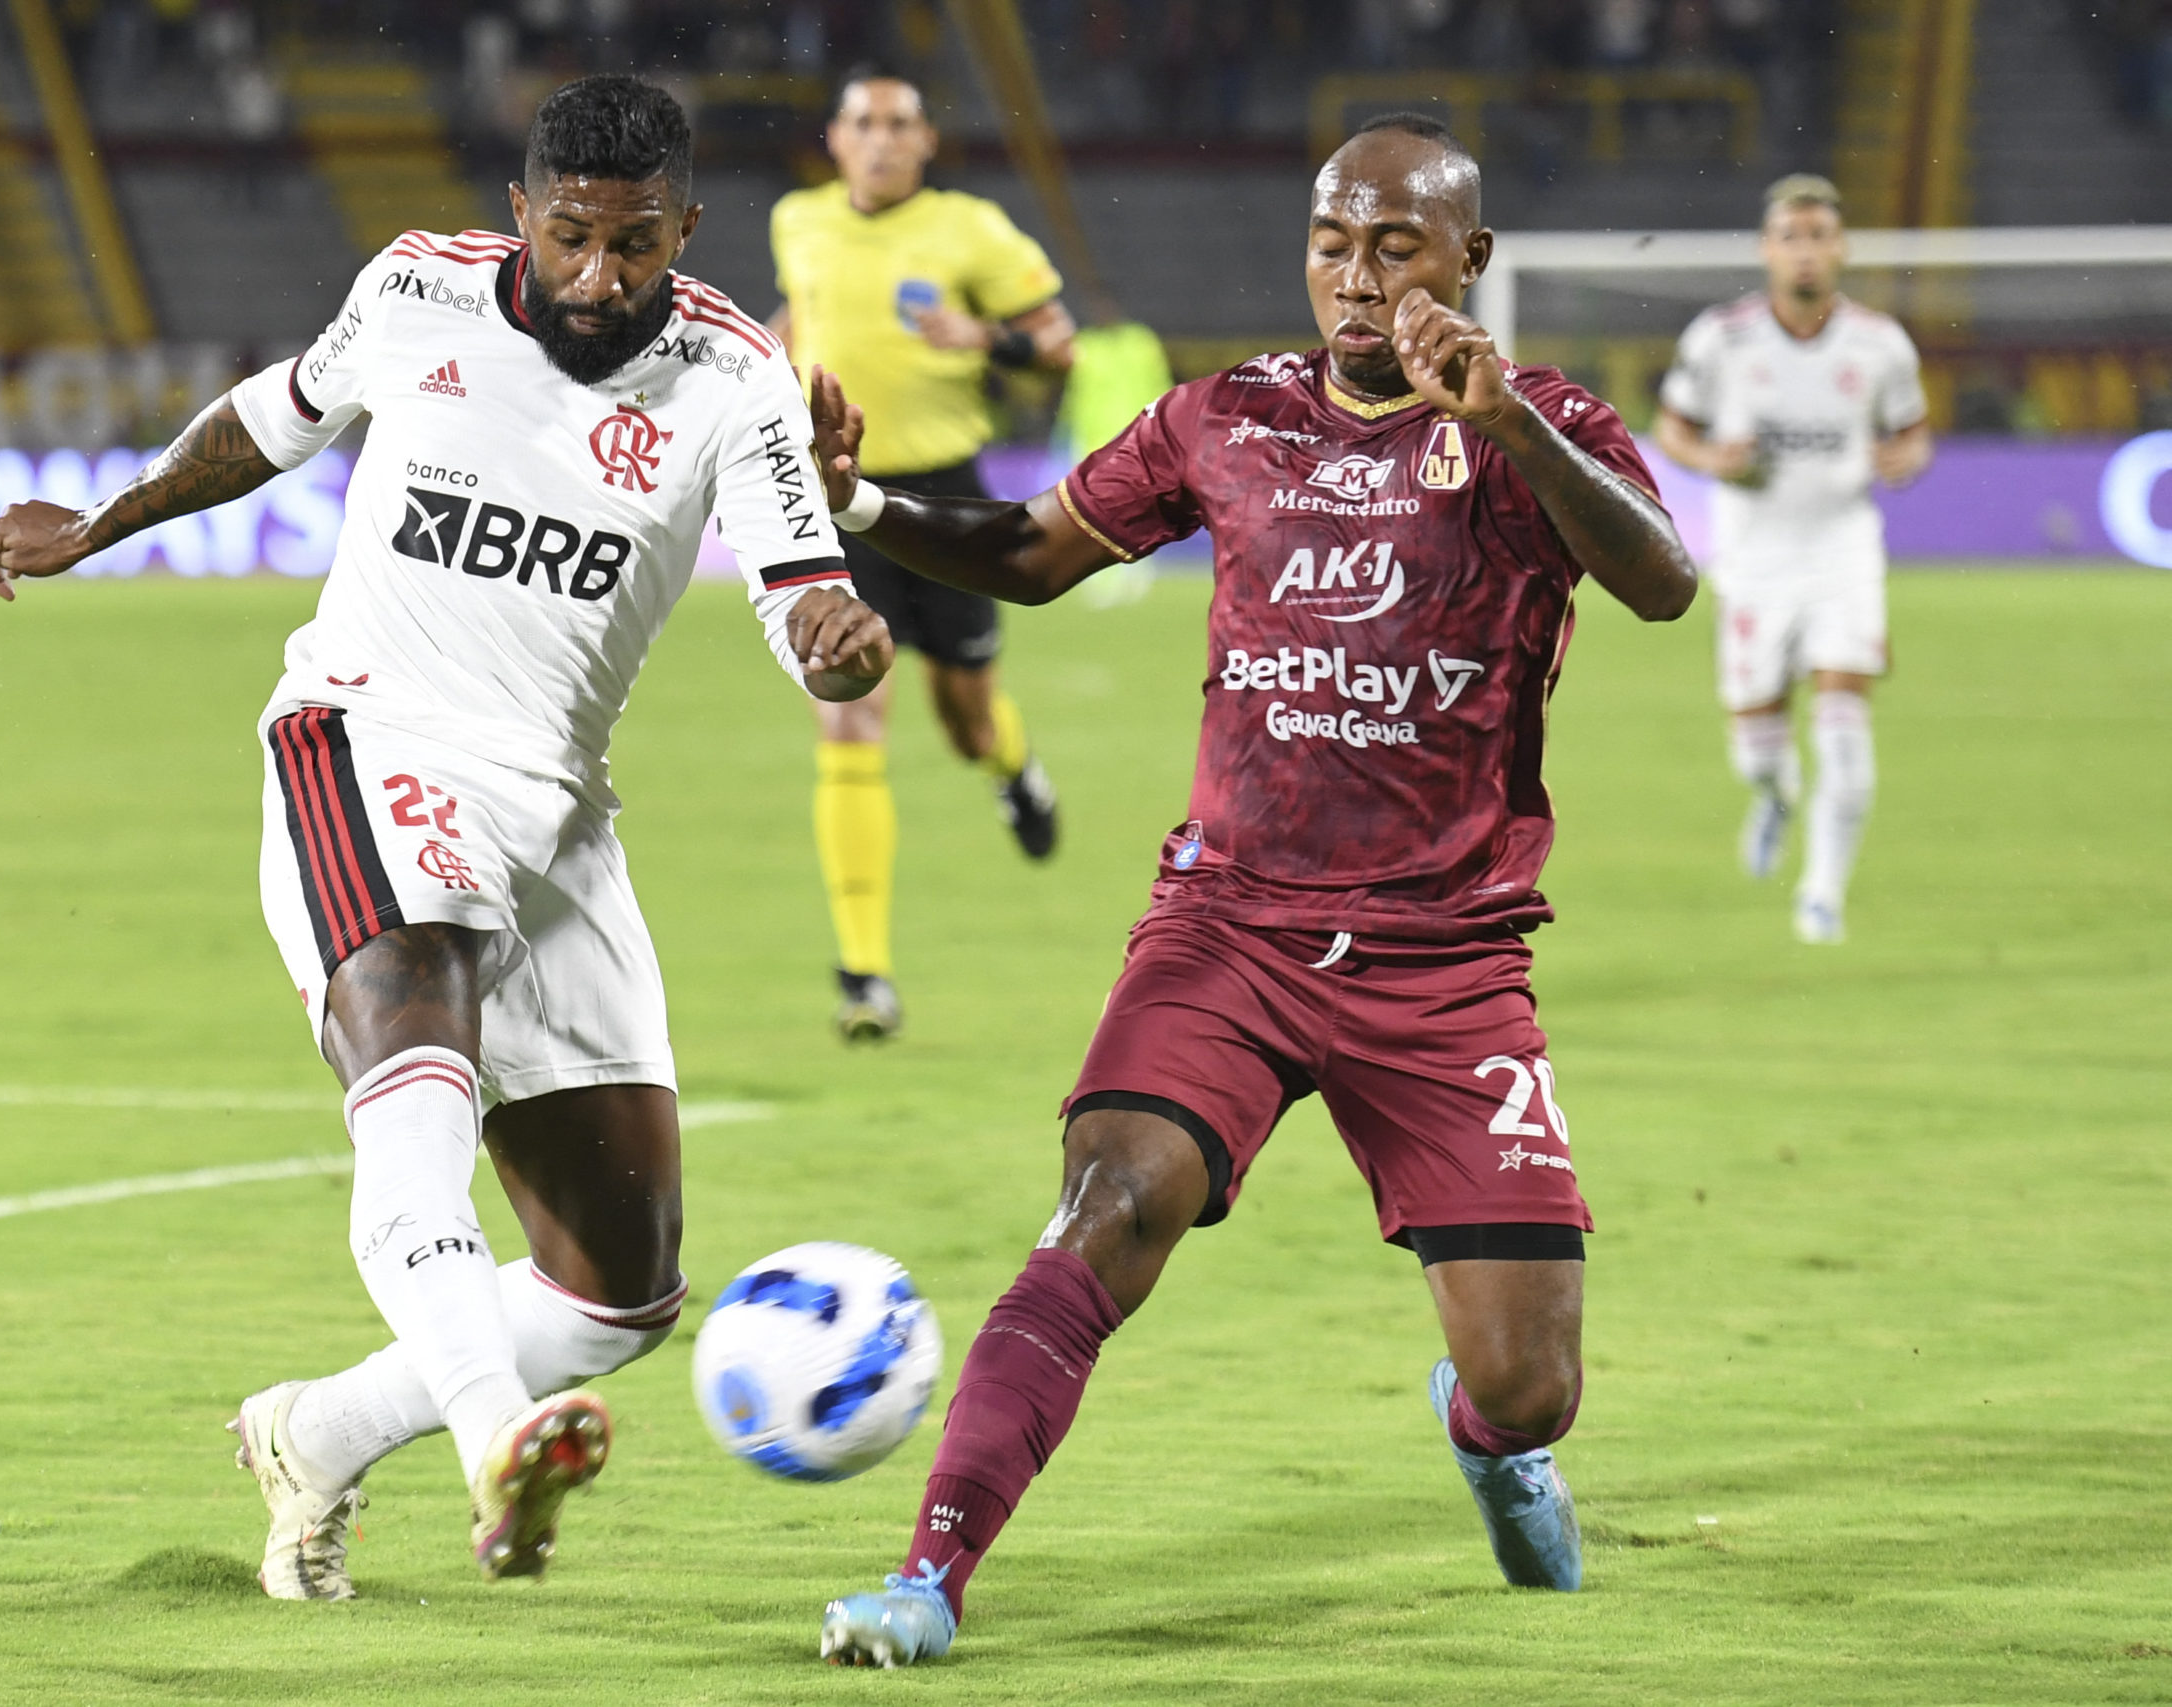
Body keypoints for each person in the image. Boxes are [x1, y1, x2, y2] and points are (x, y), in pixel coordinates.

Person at [0, 75, 890, 1601]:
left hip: (557, 810)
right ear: (524, 211)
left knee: (622, 1282)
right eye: (578, 237)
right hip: (364, 737)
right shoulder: (413, 286)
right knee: (419, 1047)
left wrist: (838, 647)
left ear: (689, 229)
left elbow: (802, 590)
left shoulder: (738, 377)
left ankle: (317, 1433)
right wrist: (108, 517)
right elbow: (270, 420)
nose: (603, 277)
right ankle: (496, 1444)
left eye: (639, 245)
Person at [802, 112, 1701, 1667]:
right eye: (1332, 243)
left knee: (1533, 1382)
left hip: (1448, 957)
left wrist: (1510, 427)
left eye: (1396, 247)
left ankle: (1490, 1440)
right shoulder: (1225, 416)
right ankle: (927, 1576)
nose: (1357, 279)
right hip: (1231, 927)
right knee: (1107, 1203)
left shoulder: (1537, 417)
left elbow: (1663, 581)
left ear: (1467, 261)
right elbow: (1032, 549)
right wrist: (865, 509)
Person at [768, 71, 1078, 1041]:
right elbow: (796, 321)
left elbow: (1059, 344)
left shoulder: (971, 230)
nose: (882, 140)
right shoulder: (797, 221)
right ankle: (864, 975)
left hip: (947, 499)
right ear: (836, 138)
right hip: (838, 501)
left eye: (901, 124)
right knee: (851, 717)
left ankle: (1012, 768)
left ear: (927, 141)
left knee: (963, 718)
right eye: (864, 123)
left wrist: (981, 336)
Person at [1654, 173, 1933, 944]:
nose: (1805, 252)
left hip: (1843, 550)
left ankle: (1822, 893)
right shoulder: (1723, 337)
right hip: (1752, 558)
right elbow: (1672, 428)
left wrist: (1901, 458)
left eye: (1819, 236)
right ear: (1766, 250)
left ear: (1840, 247)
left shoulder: (1880, 344)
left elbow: (1912, 433)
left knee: (1844, 726)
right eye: (1791, 237)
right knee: (1757, 743)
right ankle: (1774, 797)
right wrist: (1714, 458)